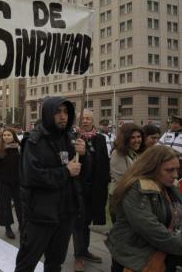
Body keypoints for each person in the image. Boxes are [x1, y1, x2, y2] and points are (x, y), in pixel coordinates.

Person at [106, 146, 182, 272]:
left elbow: (178, 216)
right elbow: (150, 228)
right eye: (169, 170)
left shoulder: (168, 186)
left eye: (177, 169)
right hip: (135, 260)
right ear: (152, 168)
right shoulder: (136, 189)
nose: (175, 175)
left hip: (163, 258)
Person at [15, 97, 86, 272]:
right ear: (48, 113)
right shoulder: (34, 141)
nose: (63, 116)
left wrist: (83, 155)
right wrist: (65, 171)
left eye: (66, 112)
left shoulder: (70, 138)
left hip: (65, 213)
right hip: (40, 214)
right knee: (27, 263)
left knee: (55, 263)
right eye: (58, 112)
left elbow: (80, 173)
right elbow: (33, 176)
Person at [72, 110, 110, 272]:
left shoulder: (100, 139)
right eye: (82, 119)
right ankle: (78, 256)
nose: (85, 121)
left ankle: (85, 250)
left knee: (86, 221)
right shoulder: (73, 138)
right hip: (77, 188)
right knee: (78, 222)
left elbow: (103, 162)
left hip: (93, 187)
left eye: (88, 119)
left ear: (93, 121)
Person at [0, 128, 23, 239]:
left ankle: (22, 226)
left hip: (18, 182)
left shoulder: (19, 148)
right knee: (5, 206)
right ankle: (8, 228)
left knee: (20, 205)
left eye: (9, 135)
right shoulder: (0, 150)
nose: (6, 137)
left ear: (14, 136)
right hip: (4, 182)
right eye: (4, 135)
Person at [109, 123, 144, 222]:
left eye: (139, 136)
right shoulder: (117, 154)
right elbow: (123, 180)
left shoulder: (134, 153)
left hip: (132, 198)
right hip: (120, 200)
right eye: (132, 137)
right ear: (125, 139)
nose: (137, 140)